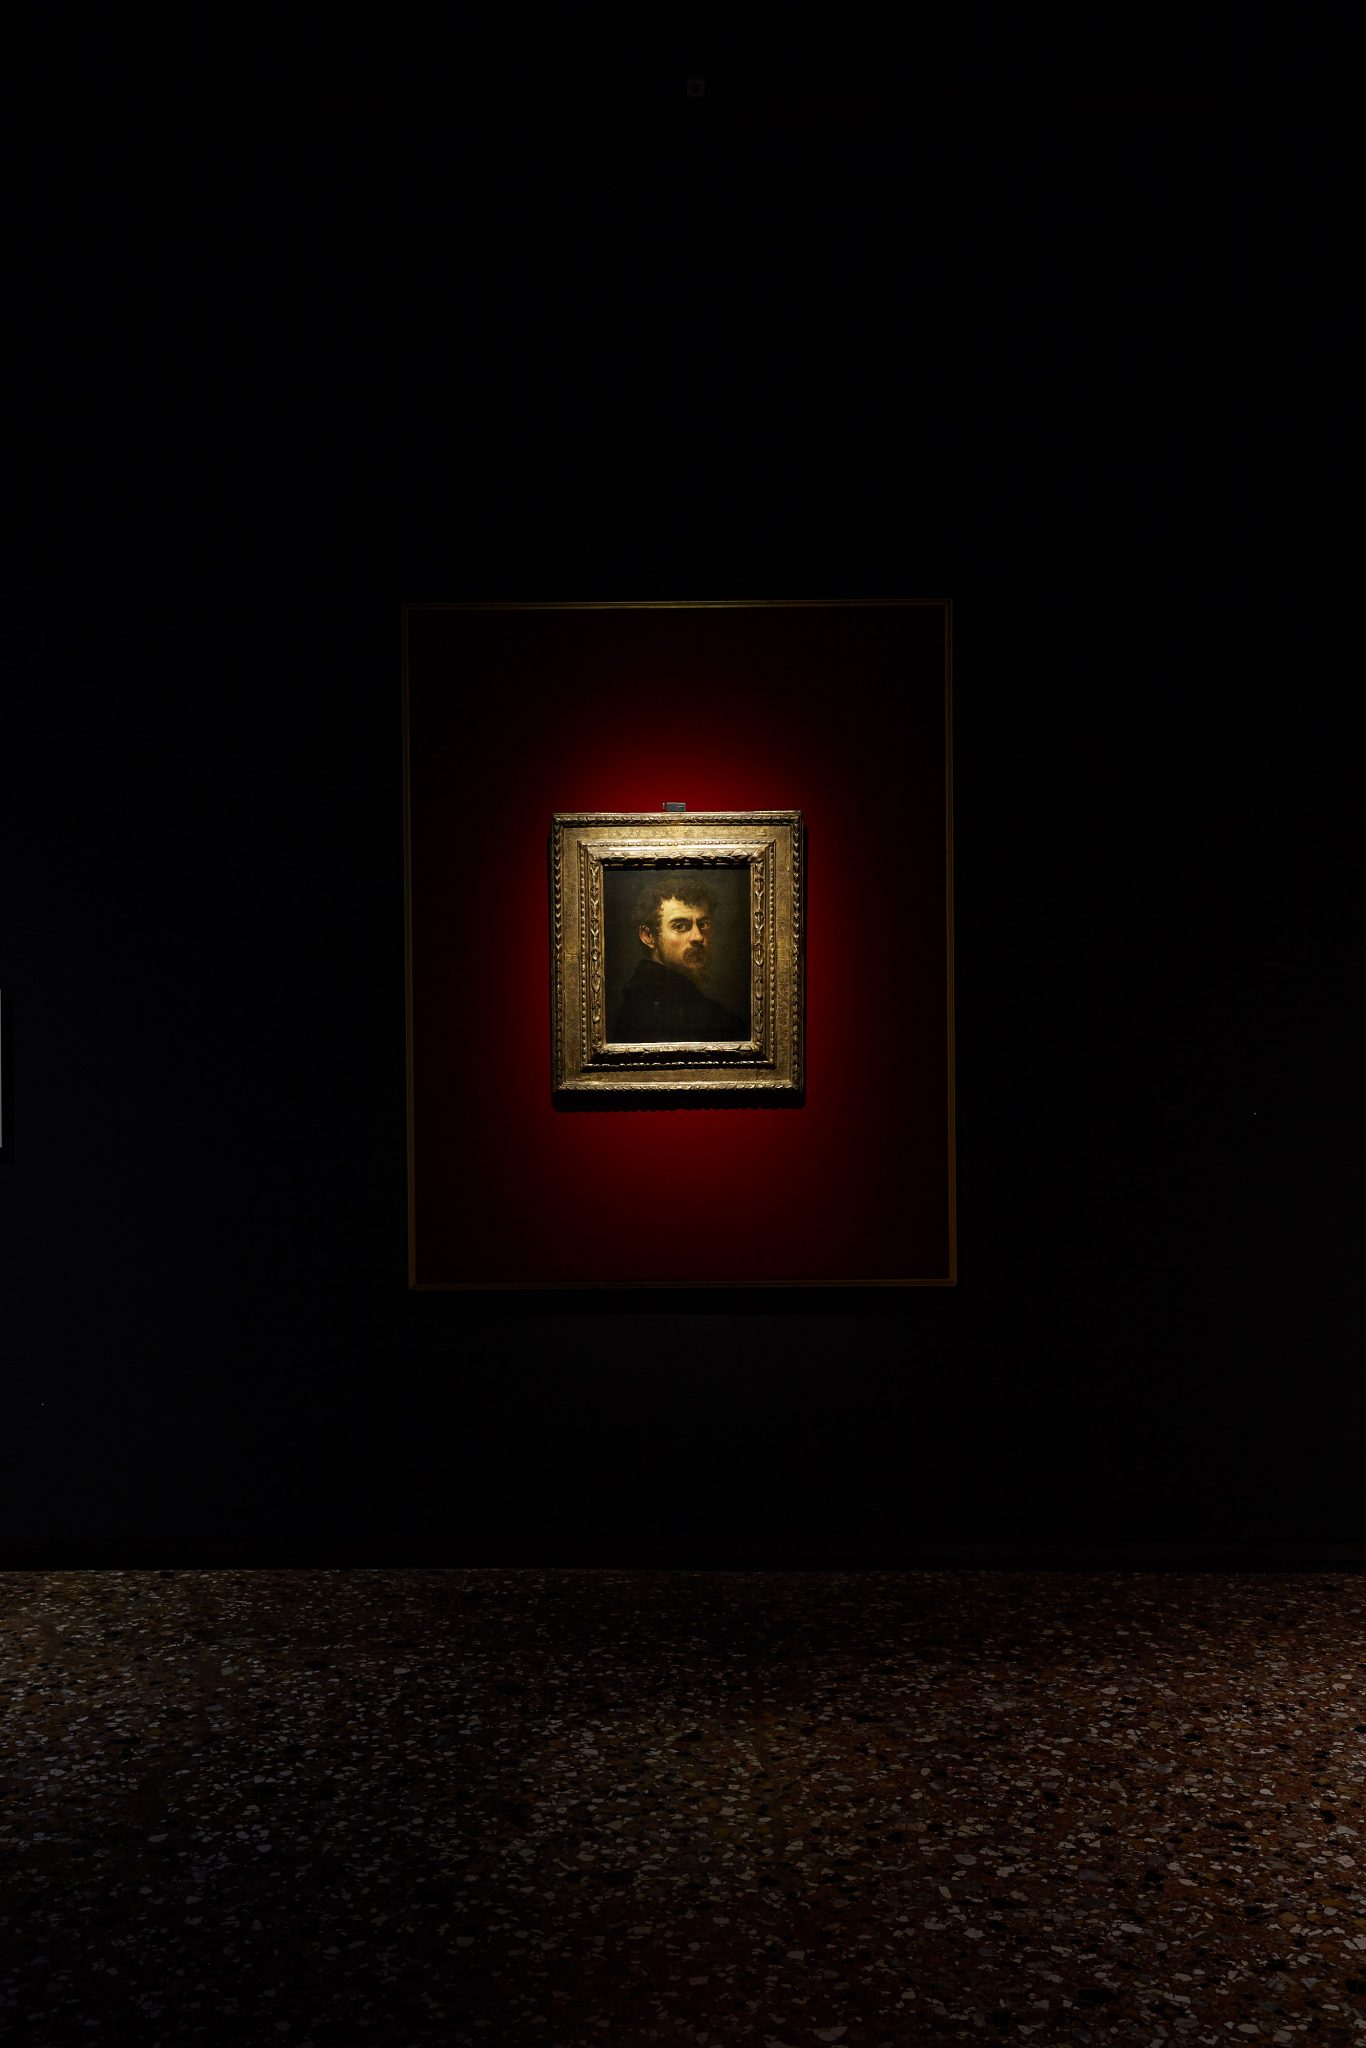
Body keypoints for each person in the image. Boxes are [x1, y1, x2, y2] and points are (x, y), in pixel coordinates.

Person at [611, 875, 748, 1042]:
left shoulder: (696, 1005)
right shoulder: (645, 1013)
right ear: (648, 936)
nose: (698, 937)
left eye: (703, 924)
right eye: (680, 926)